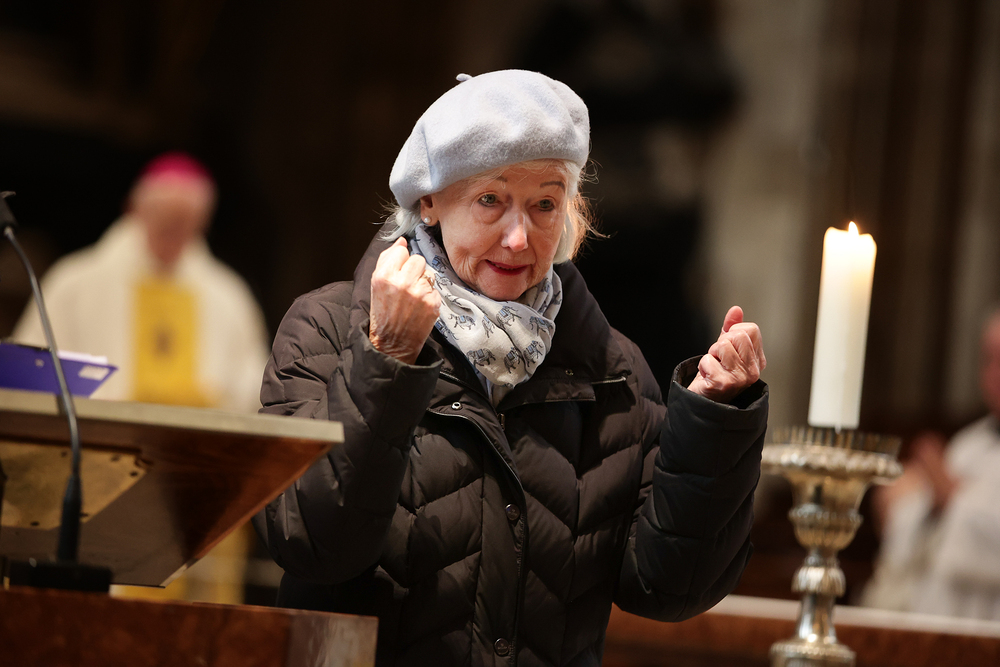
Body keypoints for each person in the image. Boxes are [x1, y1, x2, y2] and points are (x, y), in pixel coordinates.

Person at [254, 70, 768, 666]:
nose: (519, 238)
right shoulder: (330, 327)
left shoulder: (611, 368)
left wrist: (713, 420)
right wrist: (386, 358)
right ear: (429, 200)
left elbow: (670, 587)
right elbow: (311, 544)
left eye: (544, 204)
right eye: (490, 201)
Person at [13, 152, 270, 604]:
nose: (174, 232)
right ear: (136, 210)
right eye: (165, 218)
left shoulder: (227, 296)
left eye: (187, 222)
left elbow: (256, 389)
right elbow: (29, 375)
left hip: (194, 488)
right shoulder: (77, 282)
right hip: (101, 475)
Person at [863, 309, 1000, 620]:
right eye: (988, 360)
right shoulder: (970, 443)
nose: (994, 374)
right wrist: (903, 503)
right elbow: (913, 534)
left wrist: (949, 494)